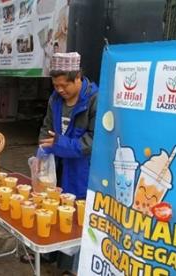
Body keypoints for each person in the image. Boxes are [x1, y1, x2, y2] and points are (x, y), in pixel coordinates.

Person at [38, 52, 98, 275]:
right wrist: (42, 152)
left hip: (81, 169)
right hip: (57, 164)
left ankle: (71, 267)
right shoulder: (55, 99)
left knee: (74, 216)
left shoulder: (94, 99)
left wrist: (59, 143)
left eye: (64, 85)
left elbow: (92, 141)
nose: (60, 90)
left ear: (78, 77)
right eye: (56, 85)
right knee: (52, 208)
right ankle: (49, 253)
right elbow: (46, 127)